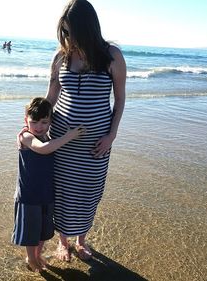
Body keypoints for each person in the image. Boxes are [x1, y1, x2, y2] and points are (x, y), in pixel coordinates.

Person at [45, 0, 126, 261]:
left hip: (96, 144)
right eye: (65, 32)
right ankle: (62, 241)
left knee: (88, 192)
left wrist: (111, 136)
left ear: (87, 28)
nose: (68, 38)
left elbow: (121, 99)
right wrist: (31, 124)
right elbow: (52, 96)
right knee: (62, 192)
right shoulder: (61, 56)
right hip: (61, 140)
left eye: (72, 32)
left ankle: (82, 240)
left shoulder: (111, 56)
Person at [12, 97, 85, 272]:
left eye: (44, 122)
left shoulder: (47, 136)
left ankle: (38, 254)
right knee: (30, 231)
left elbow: (49, 144)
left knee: (44, 229)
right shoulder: (26, 136)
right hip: (29, 195)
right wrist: (69, 136)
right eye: (34, 122)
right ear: (26, 121)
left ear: (50, 121)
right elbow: (43, 148)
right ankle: (30, 257)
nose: (39, 126)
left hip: (46, 193)